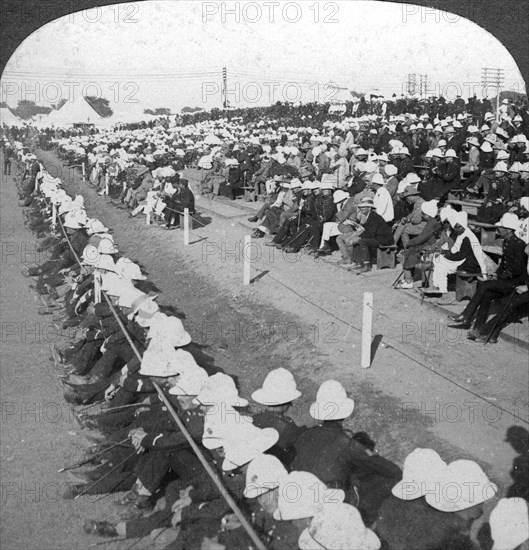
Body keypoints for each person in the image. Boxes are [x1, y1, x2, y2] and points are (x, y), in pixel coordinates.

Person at [449, 213, 528, 341]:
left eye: (500, 228)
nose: (498, 230)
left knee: (485, 285)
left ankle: (466, 316)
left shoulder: (519, 244)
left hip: (515, 282)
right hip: (506, 280)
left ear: (508, 230)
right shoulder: (507, 241)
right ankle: (477, 328)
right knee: (486, 293)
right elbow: (504, 264)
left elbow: (517, 270)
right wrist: (496, 273)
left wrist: (500, 276)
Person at [337, 197, 394, 273]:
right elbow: (368, 231)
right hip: (377, 236)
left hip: (383, 239)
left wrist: (357, 237)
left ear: (369, 208)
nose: (361, 209)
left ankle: (366, 265)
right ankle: (359, 262)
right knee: (358, 240)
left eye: (364, 207)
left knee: (361, 241)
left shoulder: (374, 217)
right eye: (361, 207)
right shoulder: (367, 216)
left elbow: (370, 233)